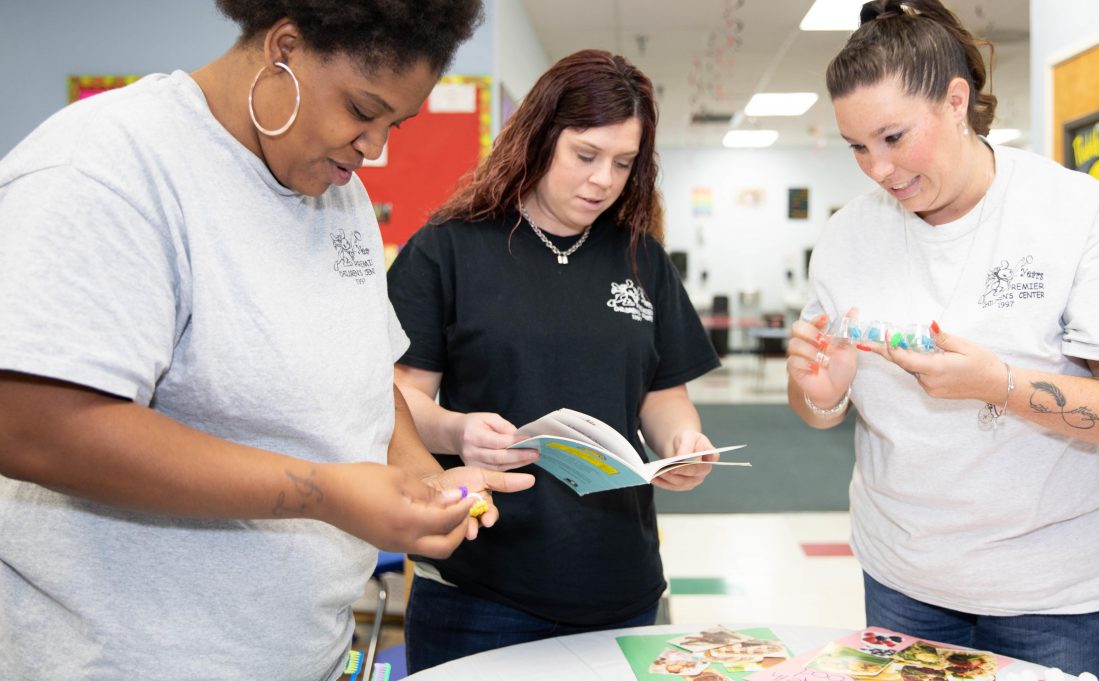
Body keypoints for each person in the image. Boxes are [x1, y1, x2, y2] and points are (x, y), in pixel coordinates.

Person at [0, 3, 534, 680]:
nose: (376, 148)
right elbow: (33, 425)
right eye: (362, 111)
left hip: (304, 654)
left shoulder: (340, 200)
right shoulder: (107, 166)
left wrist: (421, 479)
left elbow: (368, 378)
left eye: (394, 124)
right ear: (284, 46)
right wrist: (326, 492)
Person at [785, 1, 1099, 677]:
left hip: (1060, 596)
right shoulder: (848, 235)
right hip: (904, 579)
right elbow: (821, 405)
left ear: (955, 101)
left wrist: (999, 385)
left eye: (893, 137)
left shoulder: (1075, 213)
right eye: (857, 146)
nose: (878, 169)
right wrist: (820, 394)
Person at [386, 48, 723, 671]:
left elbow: (660, 388)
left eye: (624, 164)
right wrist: (458, 429)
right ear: (538, 138)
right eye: (585, 156)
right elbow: (400, 399)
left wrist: (681, 439)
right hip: (481, 585)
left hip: (619, 583)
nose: (603, 180)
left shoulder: (639, 257)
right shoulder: (448, 250)